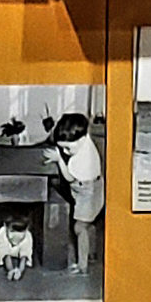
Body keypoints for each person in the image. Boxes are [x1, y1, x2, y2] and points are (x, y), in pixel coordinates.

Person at [56, 112, 104, 276]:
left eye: (68, 147)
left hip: (86, 191)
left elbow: (69, 178)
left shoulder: (80, 161)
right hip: (95, 186)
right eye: (62, 147)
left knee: (79, 227)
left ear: (82, 138)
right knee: (88, 224)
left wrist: (59, 160)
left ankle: (82, 266)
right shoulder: (85, 140)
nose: (65, 151)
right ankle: (91, 254)